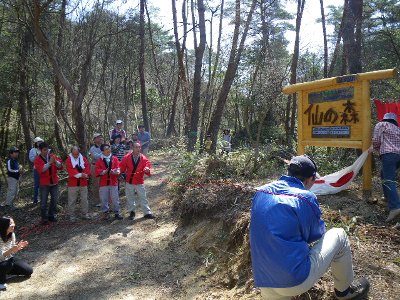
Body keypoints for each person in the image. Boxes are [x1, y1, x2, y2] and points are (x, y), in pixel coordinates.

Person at [250, 155, 370, 300]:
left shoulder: (260, 192)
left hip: (263, 279)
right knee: (339, 234)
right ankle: (344, 292)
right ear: (311, 179)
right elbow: (315, 235)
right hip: (294, 280)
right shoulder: (305, 197)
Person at [372, 112, 400, 222]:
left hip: (389, 154)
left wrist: (375, 148)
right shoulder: (397, 128)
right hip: (398, 156)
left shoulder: (381, 125)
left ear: (384, 119)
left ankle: (395, 207)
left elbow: (376, 140)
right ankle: (387, 197)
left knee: (389, 180)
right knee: (384, 174)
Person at [120, 141, 155, 220]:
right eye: (136, 147)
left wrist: (147, 168)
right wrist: (120, 173)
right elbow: (122, 167)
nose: (138, 149)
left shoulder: (143, 157)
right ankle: (131, 212)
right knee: (130, 197)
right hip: (129, 180)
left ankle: (147, 213)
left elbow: (147, 163)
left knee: (143, 197)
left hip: (139, 181)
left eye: (139, 147)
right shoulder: (127, 157)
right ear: (132, 148)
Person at [33, 142, 63, 225]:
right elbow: (41, 170)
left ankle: (51, 215)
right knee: (43, 202)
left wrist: (55, 162)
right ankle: (44, 218)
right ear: (40, 150)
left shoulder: (52, 156)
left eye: (47, 150)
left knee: (54, 199)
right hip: (44, 183)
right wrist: (49, 163)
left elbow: (60, 166)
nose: (46, 151)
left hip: (54, 182)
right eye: (44, 150)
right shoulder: (37, 159)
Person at [0, 217, 32, 291]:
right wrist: (11, 249)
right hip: (1, 261)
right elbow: (1, 256)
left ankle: (4, 273)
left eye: (13, 223)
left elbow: (11, 252)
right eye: (10, 224)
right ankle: (1, 282)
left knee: (28, 271)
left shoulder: (12, 234)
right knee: (7, 265)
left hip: (8, 260)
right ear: (4, 225)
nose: (13, 225)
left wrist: (17, 248)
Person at [95, 144, 123, 220]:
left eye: (109, 148)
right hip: (103, 182)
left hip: (113, 181)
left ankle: (117, 212)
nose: (108, 150)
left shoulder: (114, 158)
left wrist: (116, 171)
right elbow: (97, 170)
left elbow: (118, 167)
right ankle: (105, 213)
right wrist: (104, 171)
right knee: (104, 199)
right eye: (106, 149)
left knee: (115, 198)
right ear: (102, 151)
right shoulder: (99, 160)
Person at [65, 146, 91, 222]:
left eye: (77, 154)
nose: (75, 155)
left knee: (84, 199)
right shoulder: (68, 160)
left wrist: (85, 174)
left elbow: (87, 168)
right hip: (73, 183)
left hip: (83, 182)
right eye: (74, 154)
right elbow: (71, 171)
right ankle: (72, 216)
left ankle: (85, 214)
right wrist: (81, 175)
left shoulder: (83, 159)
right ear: (71, 153)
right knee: (72, 200)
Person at [90, 133, 104, 207]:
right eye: (98, 137)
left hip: (103, 167)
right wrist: (104, 152)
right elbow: (96, 157)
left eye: (101, 137)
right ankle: (97, 201)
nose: (100, 138)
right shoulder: (92, 148)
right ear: (95, 140)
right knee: (96, 184)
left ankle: (104, 200)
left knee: (103, 183)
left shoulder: (104, 146)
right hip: (95, 166)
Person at [29, 137, 44, 204]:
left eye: (40, 142)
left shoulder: (44, 149)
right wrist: (36, 157)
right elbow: (31, 159)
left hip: (44, 169)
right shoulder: (32, 150)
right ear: (36, 143)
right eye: (38, 142)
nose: (39, 143)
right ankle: (35, 200)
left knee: (43, 184)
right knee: (37, 185)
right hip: (36, 169)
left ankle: (43, 198)